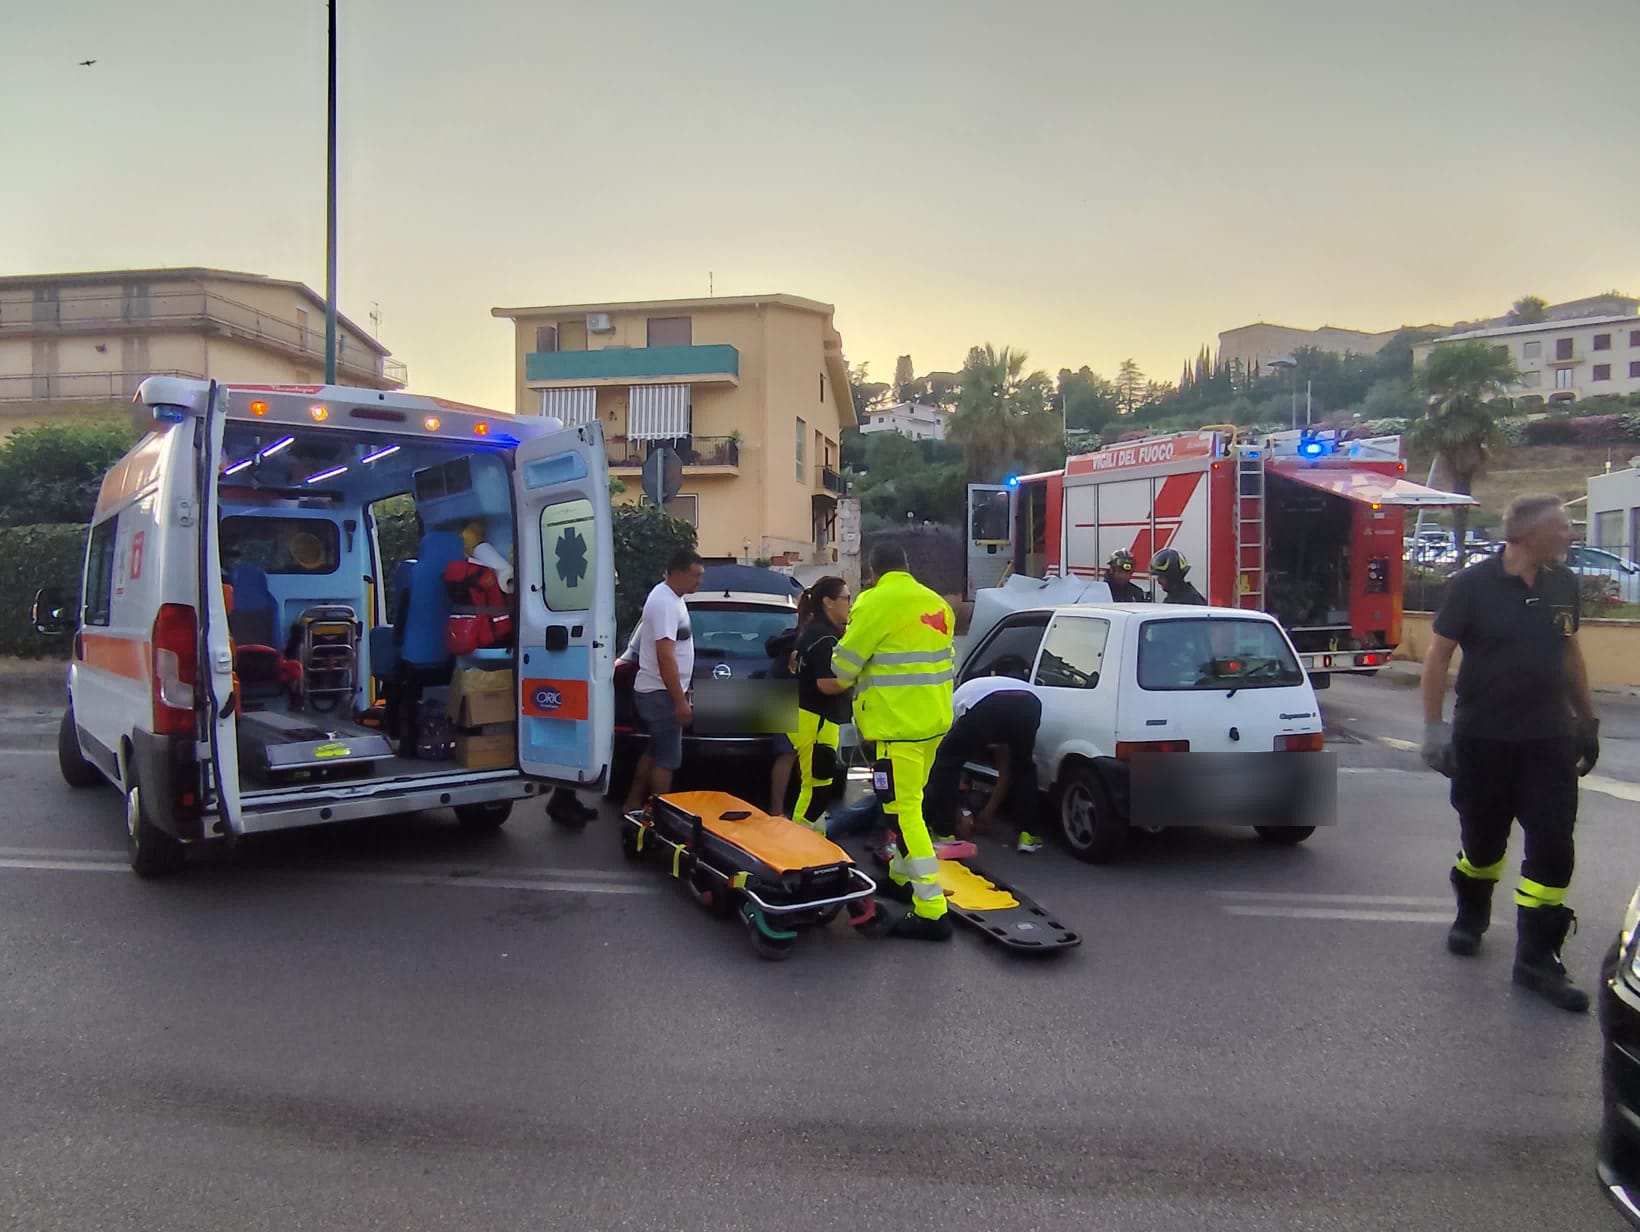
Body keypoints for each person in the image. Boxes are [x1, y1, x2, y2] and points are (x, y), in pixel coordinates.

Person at [1421, 494, 1600, 1013]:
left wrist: (1585, 722)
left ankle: (1537, 959)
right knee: (1483, 845)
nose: (1570, 535)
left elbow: (1570, 654)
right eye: (1562, 527)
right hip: (1483, 741)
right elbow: (1437, 657)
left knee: (1553, 845)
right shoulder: (1471, 586)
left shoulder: (1564, 585)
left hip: (1548, 741)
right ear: (1525, 535)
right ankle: (1471, 914)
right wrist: (1434, 730)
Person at [821, 543, 957, 941]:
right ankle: (900, 876)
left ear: (872, 571)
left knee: (903, 813)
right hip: (933, 723)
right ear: (907, 565)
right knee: (904, 803)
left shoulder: (874, 602)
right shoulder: (936, 603)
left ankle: (932, 912)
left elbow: (843, 670)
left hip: (898, 728)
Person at [622, 549, 706, 813]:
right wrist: (679, 701)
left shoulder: (672, 598)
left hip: (661, 691)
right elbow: (665, 655)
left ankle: (633, 803)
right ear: (678, 573)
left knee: (654, 750)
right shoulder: (664, 603)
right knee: (667, 759)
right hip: (660, 694)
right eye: (696, 576)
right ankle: (657, 814)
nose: (699, 582)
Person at [923, 674, 1045, 853]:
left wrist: (957, 812)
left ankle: (943, 832)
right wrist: (988, 812)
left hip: (987, 703)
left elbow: (945, 769)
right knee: (1024, 767)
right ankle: (1027, 835)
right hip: (1029, 704)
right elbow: (1006, 773)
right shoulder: (997, 729)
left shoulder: (954, 707)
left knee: (946, 763)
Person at [779, 577, 854, 830]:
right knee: (815, 790)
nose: (850, 604)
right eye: (846, 598)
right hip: (816, 718)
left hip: (813, 717)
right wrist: (857, 678)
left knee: (818, 786)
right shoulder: (823, 638)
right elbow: (826, 683)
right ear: (828, 602)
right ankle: (800, 845)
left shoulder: (817, 631)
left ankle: (814, 842)